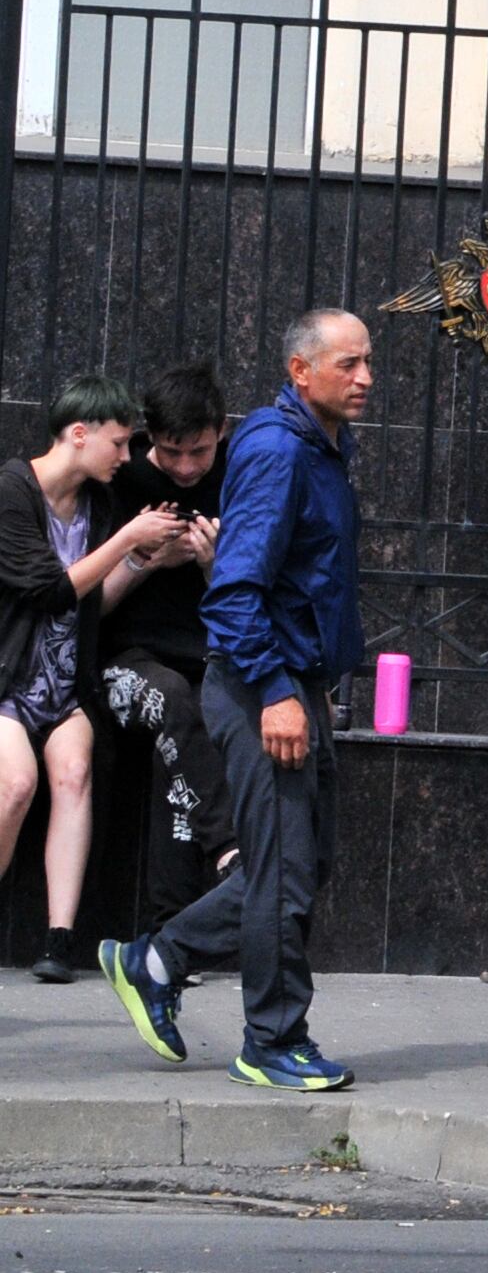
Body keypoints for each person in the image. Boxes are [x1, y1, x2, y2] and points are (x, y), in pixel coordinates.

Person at [105, 310, 373, 1092]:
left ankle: (157, 959)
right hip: (263, 690)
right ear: (301, 371)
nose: (365, 378)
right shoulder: (278, 454)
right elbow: (235, 595)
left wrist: (305, 692)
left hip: (296, 689)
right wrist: (277, 694)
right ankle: (272, 1039)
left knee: (301, 865)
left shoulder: (322, 449)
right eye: (349, 364)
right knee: (284, 872)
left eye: (367, 363)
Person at [0, 377, 195, 980]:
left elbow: (92, 604)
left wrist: (142, 560)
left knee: (75, 771)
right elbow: (50, 589)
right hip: (8, 681)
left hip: (64, 685)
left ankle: (60, 941)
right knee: (15, 786)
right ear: (78, 435)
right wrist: (128, 540)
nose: (126, 456)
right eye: (117, 442)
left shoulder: (95, 504)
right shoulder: (11, 490)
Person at [95, 365, 232, 936]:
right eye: (171, 451)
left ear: (220, 432)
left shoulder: (233, 478)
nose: (184, 467)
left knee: (190, 724)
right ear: (149, 435)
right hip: (121, 661)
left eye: (197, 452)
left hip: (202, 660)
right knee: (174, 701)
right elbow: (83, 600)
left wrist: (210, 566)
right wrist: (144, 559)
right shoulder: (119, 480)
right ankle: (229, 847)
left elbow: (245, 598)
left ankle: (170, 930)